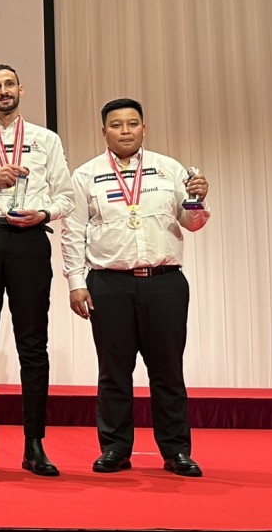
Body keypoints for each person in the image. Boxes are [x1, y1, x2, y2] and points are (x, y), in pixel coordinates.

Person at [62, 98, 210, 477]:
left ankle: (176, 451)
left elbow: (192, 223)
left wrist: (197, 199)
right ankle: (115, 448)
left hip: (165, 283)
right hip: (108, 284)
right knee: (114, 372)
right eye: (116, 125)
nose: (125, 131)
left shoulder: (169, 168)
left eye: (132, 123)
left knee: (168, 371)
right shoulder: (86, 175)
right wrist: (76, 283)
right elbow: (73, 232)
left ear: (144, 128)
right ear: (104, 131)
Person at [0, 64, 75, 476]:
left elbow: (67, 196)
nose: (3, 91)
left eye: (8, 84)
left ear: (21, 90)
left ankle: (34, 445)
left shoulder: (46, 140)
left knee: (33, 345)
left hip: (29, 238)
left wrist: (44, 213)